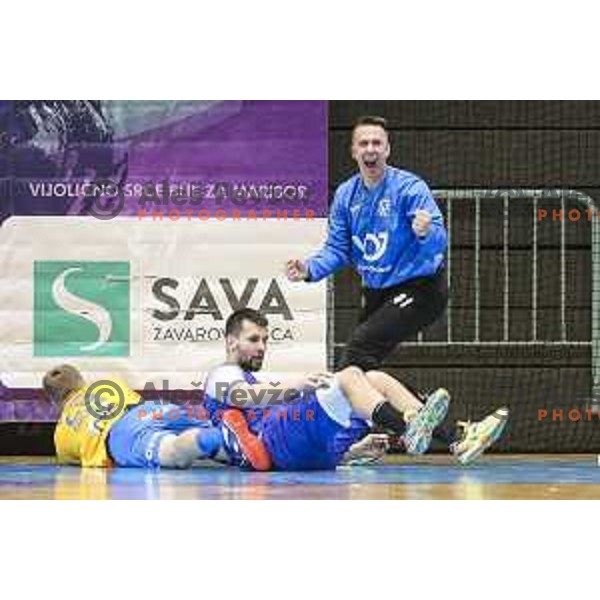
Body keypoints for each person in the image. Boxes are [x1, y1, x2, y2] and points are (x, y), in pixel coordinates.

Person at [203, 308, 509, 471]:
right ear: (231, 342)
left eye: (265, 340)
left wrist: (352, 453)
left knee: (374, 378)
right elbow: (246, 397)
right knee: (350, 376)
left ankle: (456, 440)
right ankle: (410, 426)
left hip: (313, 456)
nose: (262, 347)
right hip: (276, 442)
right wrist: (295, 388)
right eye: (254, 340)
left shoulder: (245, 377)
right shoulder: (223, 375)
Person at [286, 115, 447, 372]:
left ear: (387, 149)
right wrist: (310, 269)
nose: (370, 149)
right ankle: (412, 409)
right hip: (378, 292)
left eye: (376, 143)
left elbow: (439, 241)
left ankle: (412, 410)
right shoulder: (345, 195)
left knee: (359, 351)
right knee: (356, 372)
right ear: (353, 151)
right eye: (363, 143)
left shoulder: (410, 188)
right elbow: (338, 249)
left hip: (420, 289)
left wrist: (426, 232)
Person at [43, 364, 271, 470]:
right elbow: (135, 401)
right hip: (150, 409)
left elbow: (73, 460)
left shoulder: (60, 433)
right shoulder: (106, 385)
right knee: (211, 431)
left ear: (54, 401)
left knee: (174, 451)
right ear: (82, 382)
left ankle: (215, 438)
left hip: (120, 435)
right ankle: (253, 441)